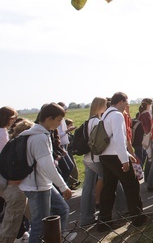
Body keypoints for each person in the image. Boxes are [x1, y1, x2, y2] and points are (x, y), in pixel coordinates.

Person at [20, 103, 72, 242]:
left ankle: (56, 238)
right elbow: (47, 166)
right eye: (58, 120)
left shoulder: (39, 134)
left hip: (42, 183)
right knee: (40, 225)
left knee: (62, 210)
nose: (60, 123)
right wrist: (63, 187)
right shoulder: (39, 138)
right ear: (49, 118)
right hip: (37, 187)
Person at [98, 92, 147, 232]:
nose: (126, 107)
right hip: (115, 156)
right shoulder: (117, 115)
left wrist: (125, 154)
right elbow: (119, 139)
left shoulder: (106, 114)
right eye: (126, 103)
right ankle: (137, 217)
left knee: (109, 188)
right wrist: (124, 159)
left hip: (105, 156)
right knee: (132, 185)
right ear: (120, 102)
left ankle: (104, 221)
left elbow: (110, 139)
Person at [0, 108, 28, 243]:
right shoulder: (3, 133)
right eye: (13, 119)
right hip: (6, 179)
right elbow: (6, 157)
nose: (13, 122)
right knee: (11, 215)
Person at [79, 97, 107, 227]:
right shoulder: (97, 122)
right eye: (105, 105)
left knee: (87, 188)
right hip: (95, 158)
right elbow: (99, 141)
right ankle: (109, 207)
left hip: (87, 158)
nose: (106, 107)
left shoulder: (89, 121)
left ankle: (86, 217)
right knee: (106, 178)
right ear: (100, 106)